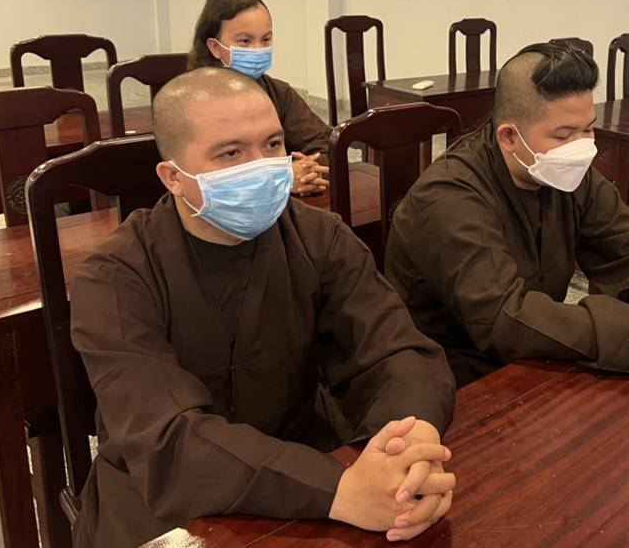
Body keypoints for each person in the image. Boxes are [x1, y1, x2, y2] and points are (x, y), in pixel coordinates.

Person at [69, 68, 456, 547]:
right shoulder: (115, 276)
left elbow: (396, 352)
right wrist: (337, 490)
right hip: (164, 492)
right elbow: (167, 438)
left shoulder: (319, 237)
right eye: (231, 153)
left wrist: (411, 439)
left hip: (304, 456)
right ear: (173, 177)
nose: (263, 166)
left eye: (273, 144)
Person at [385, 42, 629, 388]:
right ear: (509, 137)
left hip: (537, 354)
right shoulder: (450, 197)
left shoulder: (562, 172)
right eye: (563, 135)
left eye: (588, 128)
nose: (581, 148)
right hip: (453, 378)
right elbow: (504, 319)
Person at [187, 0, 330, 196]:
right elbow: (205, 176)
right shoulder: (193, 102)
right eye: (245, 41)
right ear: (214, 47)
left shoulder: (279, 93)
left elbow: (324, 144)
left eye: (266, 39)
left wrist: (308, 172)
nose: (258, 50)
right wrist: (283, 178)